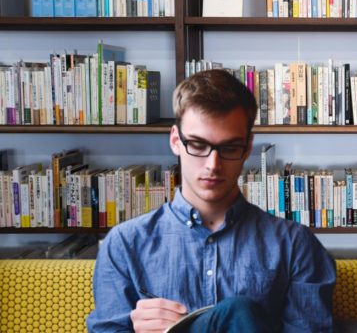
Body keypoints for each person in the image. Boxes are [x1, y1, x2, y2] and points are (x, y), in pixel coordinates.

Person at [87, 69, 336, 332]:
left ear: (248, 147)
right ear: (175, 141)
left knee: (239, 311)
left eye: (229, 148)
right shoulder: (125, 244)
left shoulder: (295, 245)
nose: (212, 165)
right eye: (197, 145)